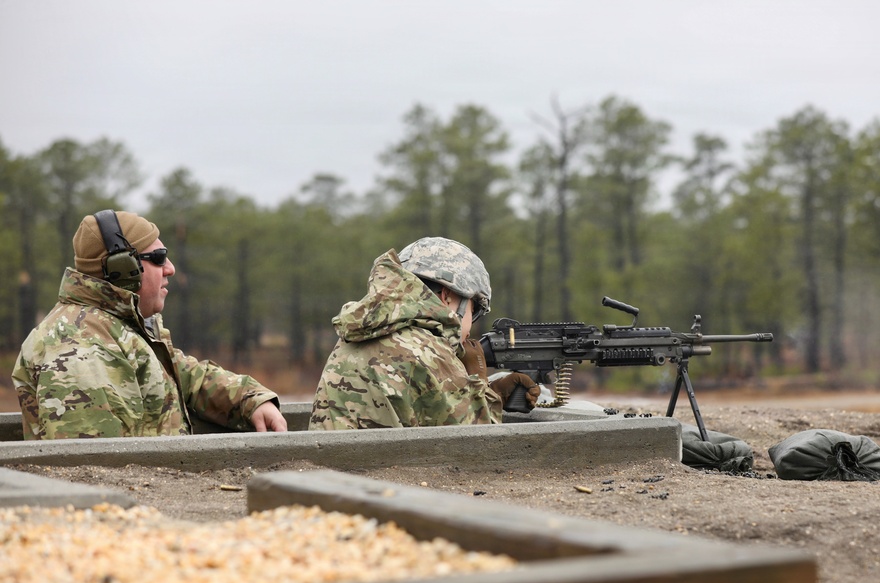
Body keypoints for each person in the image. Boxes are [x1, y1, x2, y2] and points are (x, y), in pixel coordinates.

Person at [11, 210, 287, 440]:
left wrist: (250, 400)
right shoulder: (80, 348)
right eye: (157, 258)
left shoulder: (119, 327)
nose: (170, 268)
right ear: (123, 270)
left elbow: (183, 375)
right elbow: (94, 468)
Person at [310, 236, 540, 429]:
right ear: (449, 296)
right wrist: (478, 378)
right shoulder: (427, 350)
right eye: (473, 310)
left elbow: (423, 411)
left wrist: (491, 394)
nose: (470, 328)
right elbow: (479, 445)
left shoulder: (362, 332)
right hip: (380, 479)